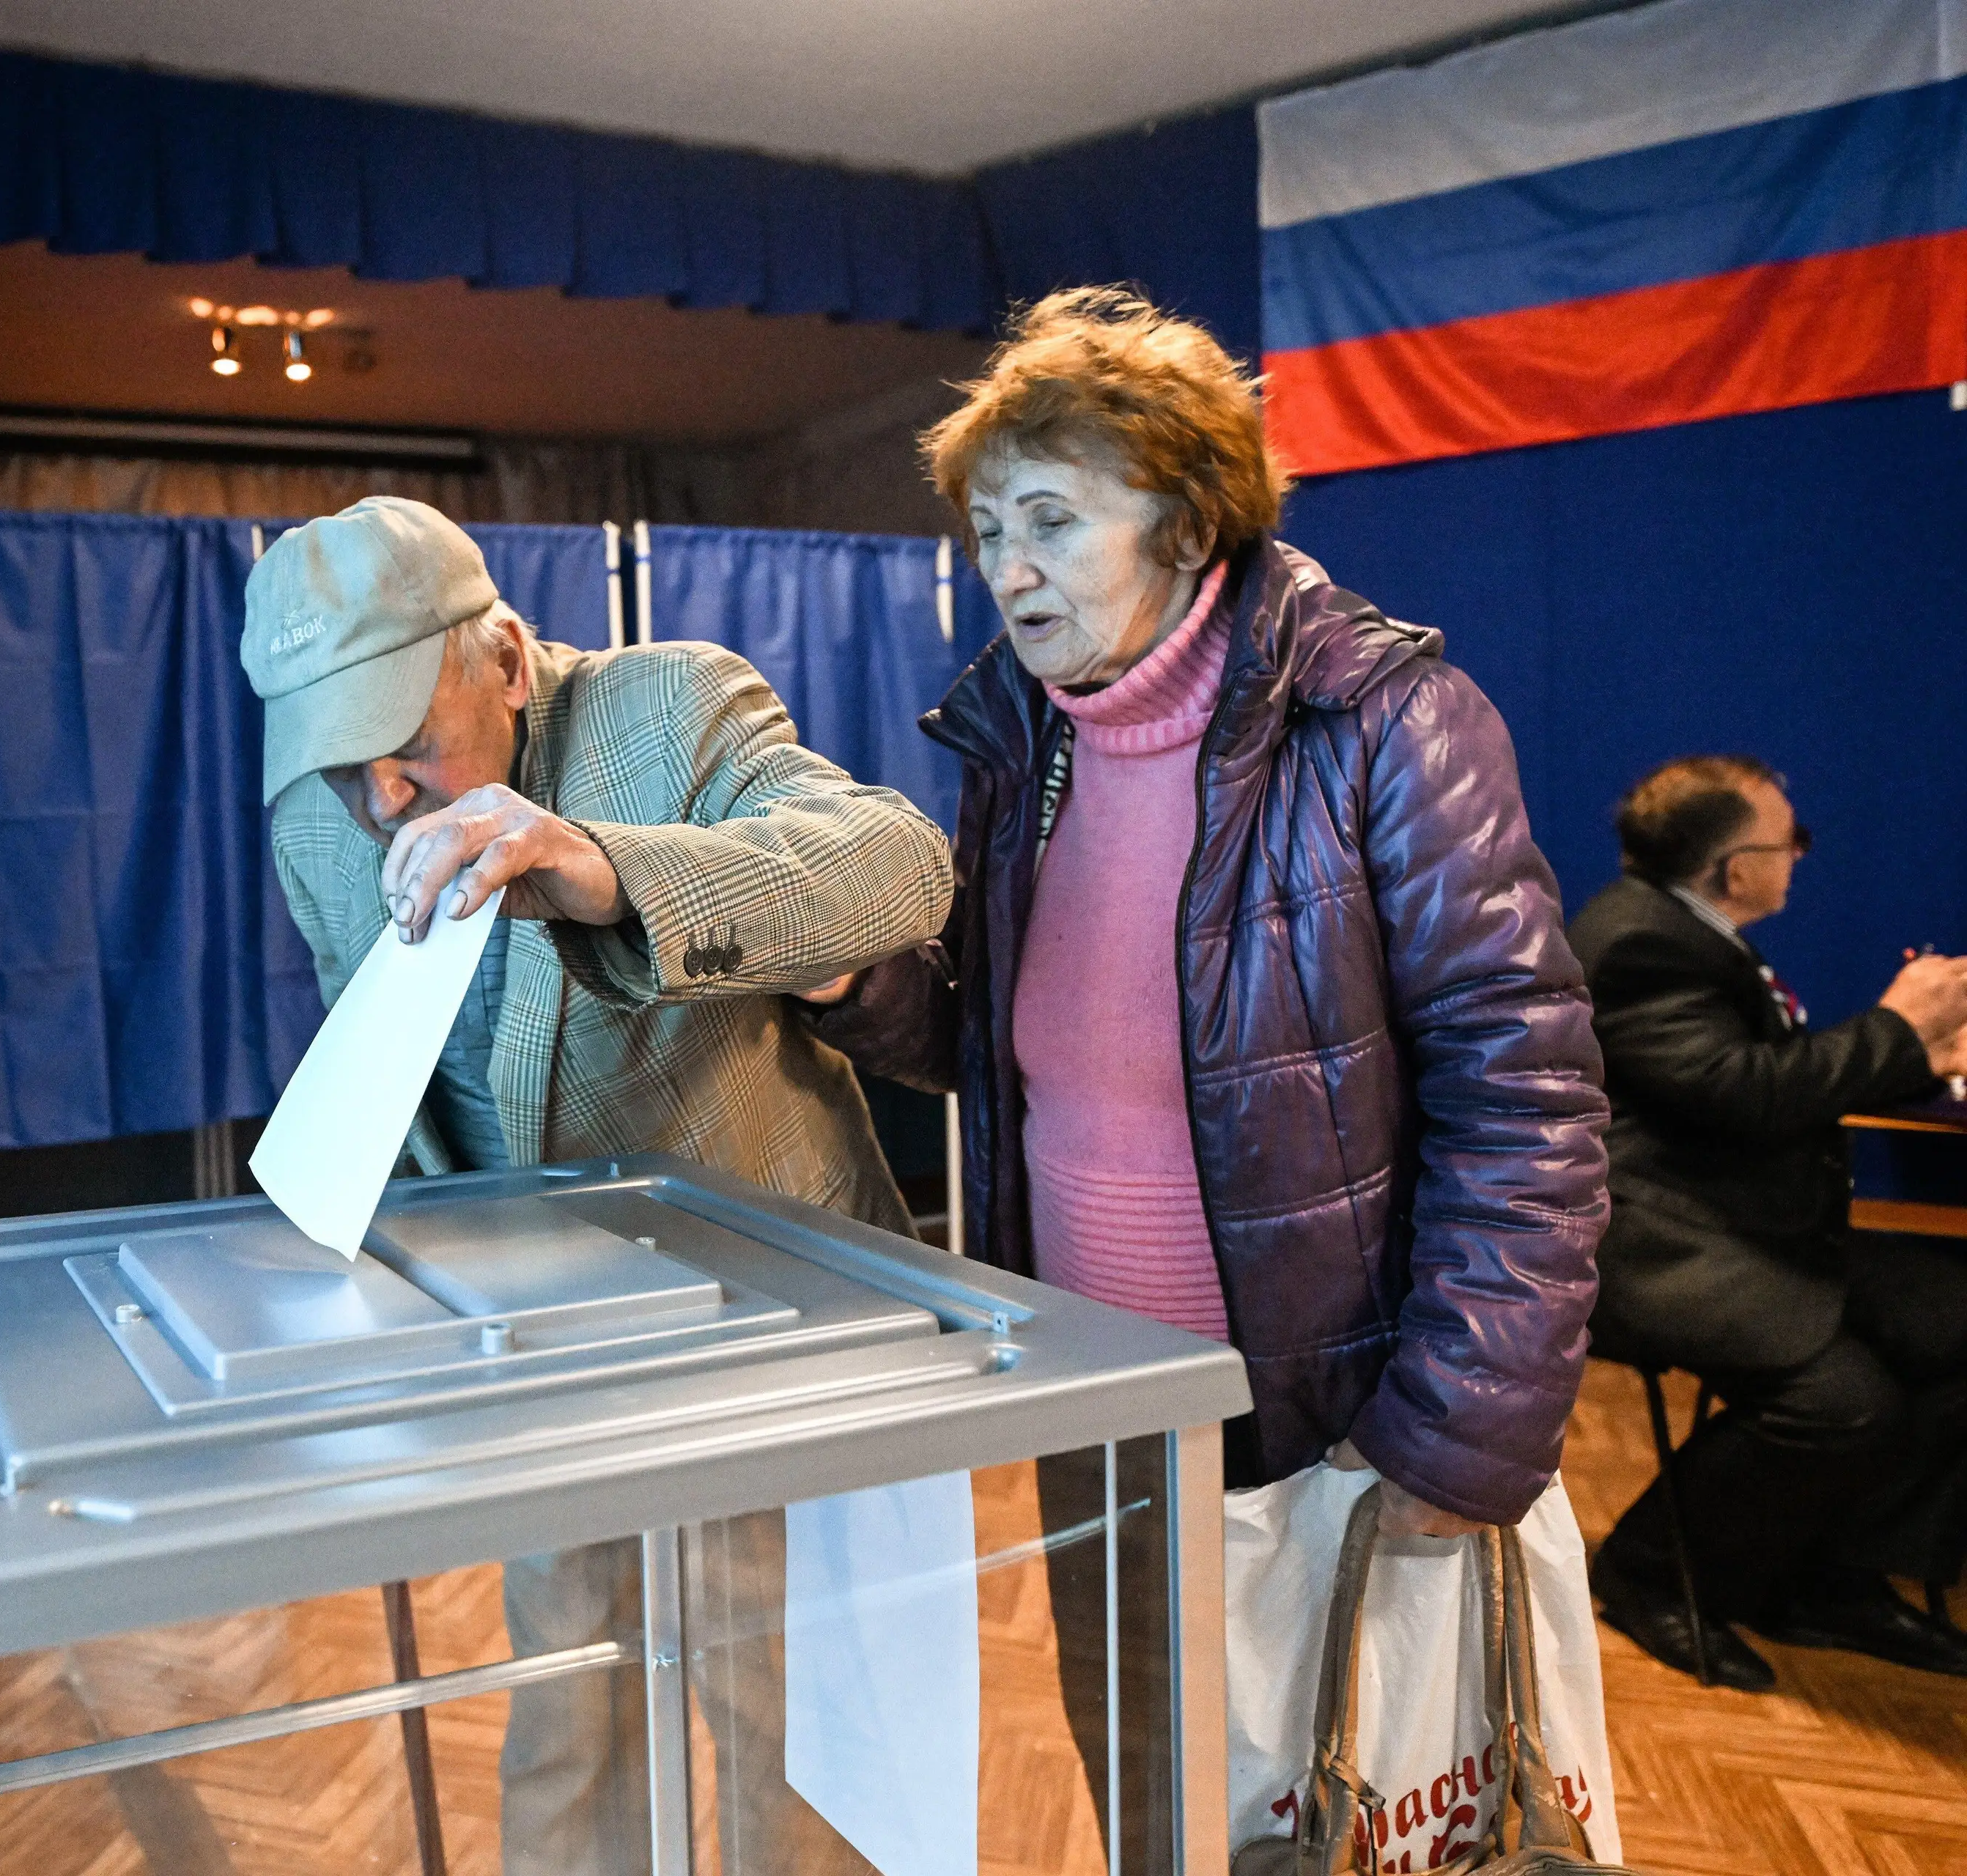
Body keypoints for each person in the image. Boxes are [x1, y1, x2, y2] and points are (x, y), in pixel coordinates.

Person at [813, 287, 1611, 1864]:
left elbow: (1527, 1095)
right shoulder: (1020, 752)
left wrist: (1460, 1429)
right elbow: (1004, 1049)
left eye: (1051, 518)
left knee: (1341, 1820)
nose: (1010, 570)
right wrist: (844, 974)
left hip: (1332, 1424)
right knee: (1162, 1813)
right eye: (987, 530)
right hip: (1099, 1404)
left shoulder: (1388, 721)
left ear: (1185, 522)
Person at [243, 495, 952, 1874]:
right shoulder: (315, 830)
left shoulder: (675, 712)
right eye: (340, 764)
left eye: (405, 745)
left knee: (787, 1749)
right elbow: (385, 1081)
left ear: (505, 658)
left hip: (777, 1336)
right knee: (572, 1720)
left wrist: (607, 869)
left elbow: (899, 874)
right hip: (545, 1362)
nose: (381, 800)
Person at [1571, 756, 1967, 1688]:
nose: (1800, 856)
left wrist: (1925, 1047)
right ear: (1735, 868)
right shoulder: (1634, 940)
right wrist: (1902, 1027)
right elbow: (1742, 1093)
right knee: (1844, 1401)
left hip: (1752, 1223)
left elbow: (1763, 1078)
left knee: (1954, 1327)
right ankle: (1646, 1570)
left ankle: (1831, 1573)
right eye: (1790, 842)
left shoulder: (1693, 929)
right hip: (1659, 1245)